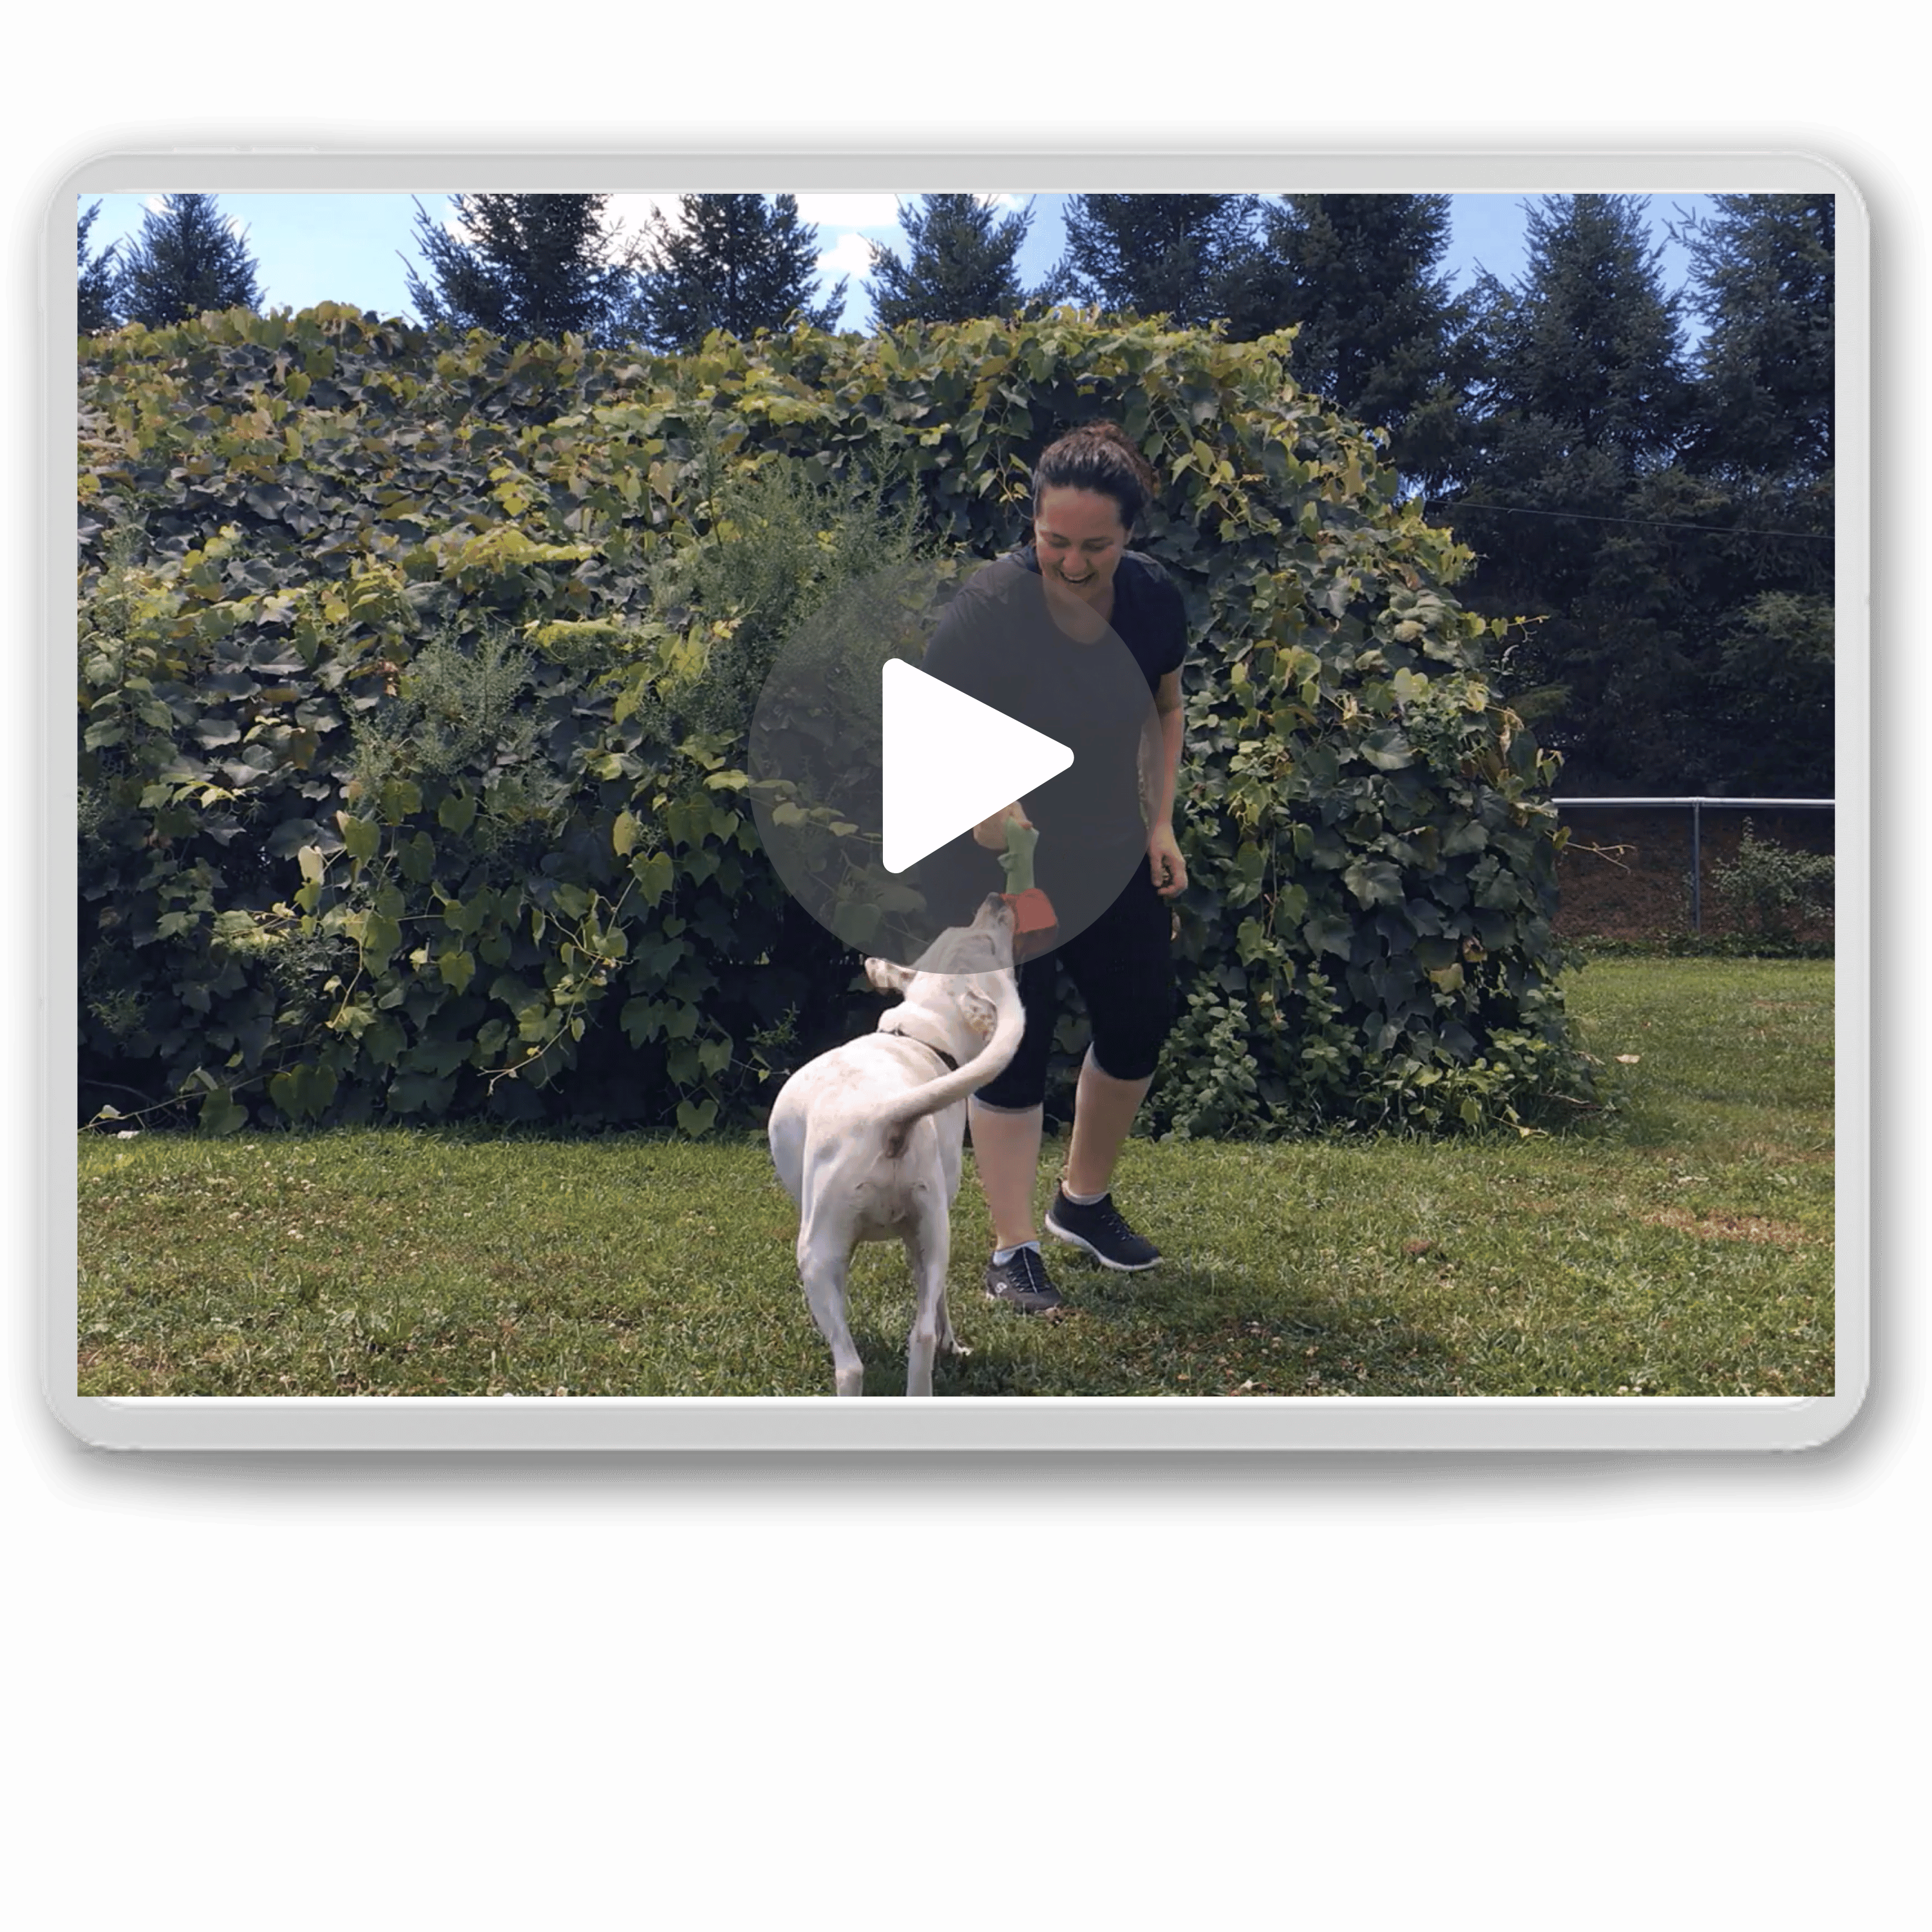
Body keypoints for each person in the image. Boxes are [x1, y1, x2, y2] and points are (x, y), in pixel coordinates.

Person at [916, 422, 1191, 1314]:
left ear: (1131, 537)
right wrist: (992, 808)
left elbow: (1166, 704)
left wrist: (1161, 822)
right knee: (1014, 1046)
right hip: (995, 859)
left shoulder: (1152, 600)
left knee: (1141, 1017)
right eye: (1054, 541)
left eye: (1096, 546)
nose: (1073, 562)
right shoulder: (992, 605)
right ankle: (1011, 1248)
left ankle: (1083, 1202)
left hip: (1113, 849)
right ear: (1031, 525)